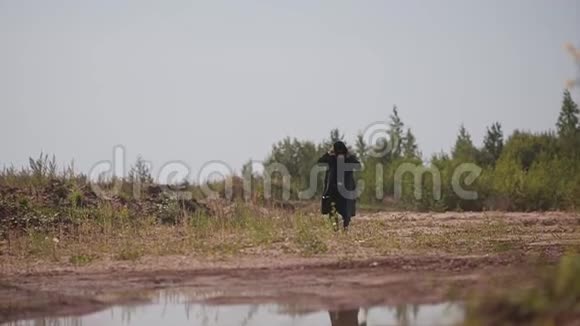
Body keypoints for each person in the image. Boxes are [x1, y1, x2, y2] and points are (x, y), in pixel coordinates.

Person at [318, 141, 361, 231]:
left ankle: (343, 228)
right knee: (335, 210)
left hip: (342, 190)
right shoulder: (333, 159)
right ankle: (338, 227)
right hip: (335, 190)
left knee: (344, 211)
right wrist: (329, 154)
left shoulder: (344, 159)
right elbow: (320, 162)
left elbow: (358, 166)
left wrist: (329, 153)